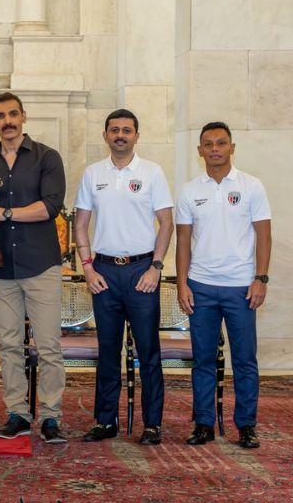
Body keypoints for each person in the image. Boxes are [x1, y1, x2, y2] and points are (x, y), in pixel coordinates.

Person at [73, 108, 172, 445]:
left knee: (149, 351)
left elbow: (167, 222)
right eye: (114, 129)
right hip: (103, 273)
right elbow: (81, 224)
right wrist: (86, 267)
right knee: (108, 350)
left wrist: (156, 268)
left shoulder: (152, 172)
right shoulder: (92, 173)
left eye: (126, 130)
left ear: (136, 136)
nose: (120, 135)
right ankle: (105, 421)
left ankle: (152, 424)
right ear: (105, 136)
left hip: (141, 272)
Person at [0, 92, 68, 443]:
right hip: (3, 268)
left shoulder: (47, 157)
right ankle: (17, 413)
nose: (8, 121)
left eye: (13, 114)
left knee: (48, 346)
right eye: (0, 116)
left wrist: (6, 213)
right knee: (10, 345)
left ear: (24, 117)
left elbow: (51, 206)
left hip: (41, 264)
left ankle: (51, 417)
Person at [175, 122, 272, 449]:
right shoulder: (190, 190)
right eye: (208, 144)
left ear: (232, 147)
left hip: (241, 288)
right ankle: (203, 423)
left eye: (221, 143)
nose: (215, 148)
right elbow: (183, 242)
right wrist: (182, 285)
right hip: (200, 287)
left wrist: (260, 278)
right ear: (199, 151)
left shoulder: (252, 186)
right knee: (202, 360)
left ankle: (246, 425)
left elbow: (264, 235)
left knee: (245, 360)